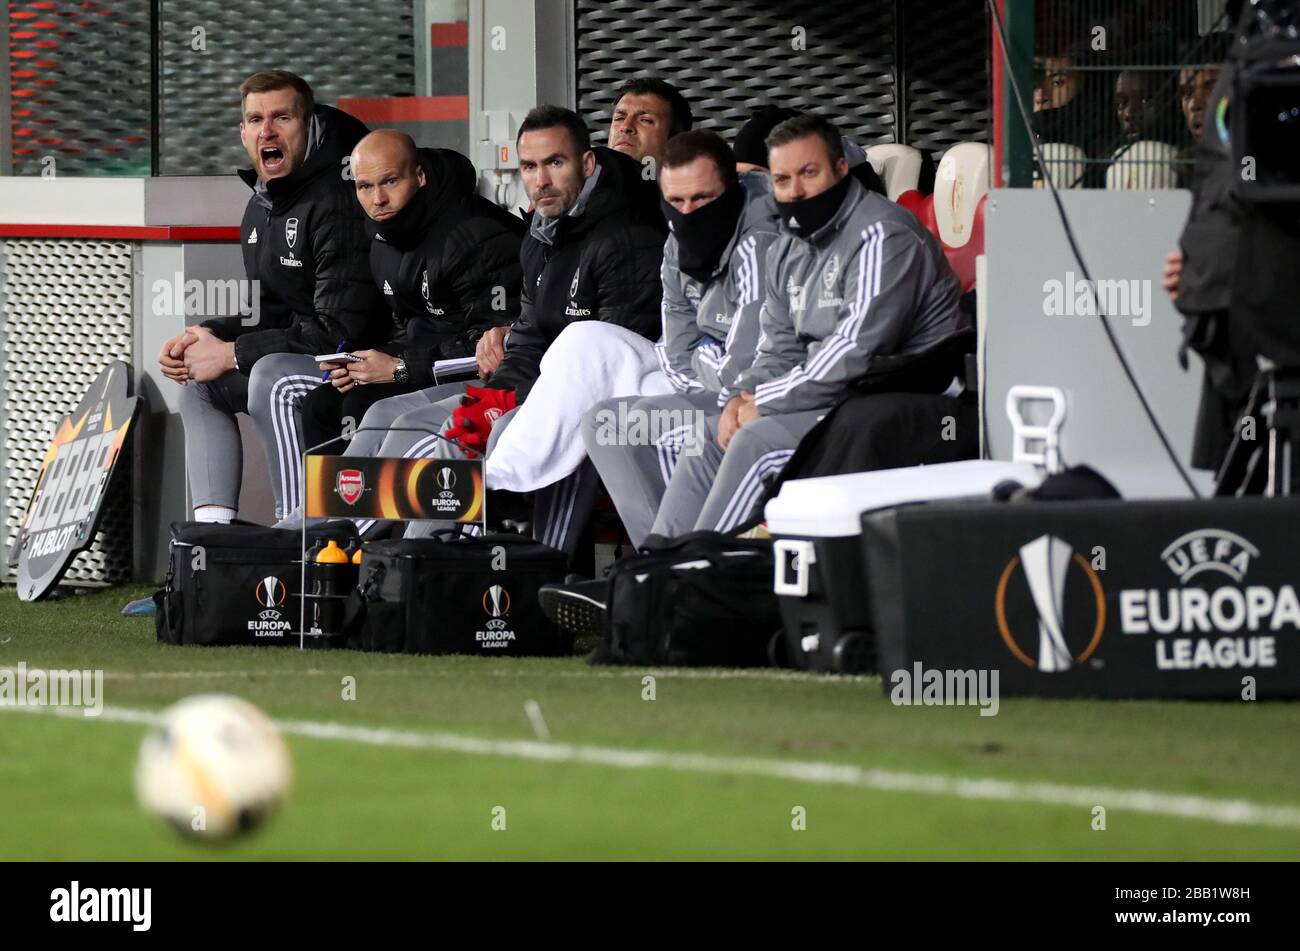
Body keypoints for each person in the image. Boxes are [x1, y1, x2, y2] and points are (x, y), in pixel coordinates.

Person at [648, 114, 968, 538]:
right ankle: (654, 570)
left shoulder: (882, 233)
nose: (795, 191)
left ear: (840, 169)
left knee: (753, 441)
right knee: (707, 438)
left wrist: (762, 404)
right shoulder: (788, 247)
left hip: (906, 396)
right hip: (838, 399)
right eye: (782, 180)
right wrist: (740, 401)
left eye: (808, 173)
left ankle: (696, 576)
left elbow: (853, 353)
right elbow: (778, 349)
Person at [158, 70, 385, 523]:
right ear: (242, 132)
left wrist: (232, 353)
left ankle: (296, 537)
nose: (267, 131)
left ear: (310, 124)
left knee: (271, 377)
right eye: (255, 119)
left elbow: (340, 331)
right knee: (200, 387)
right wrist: (208, 335)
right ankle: (214, 541)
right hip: (307, 356)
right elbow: (270, 311)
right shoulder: (264, 203)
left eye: (282, 117)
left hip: (362, 366)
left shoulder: (339, 201)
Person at [258, 129, 523, 502]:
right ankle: (323, 530)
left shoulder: (476, 237)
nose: (377, 199)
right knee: (324, 403)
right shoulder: (383, 232)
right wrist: (358, 360)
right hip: (424, 361)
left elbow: (491, 351)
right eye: (365, 187)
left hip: (475, 379)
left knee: (364, 405)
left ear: (420, 176)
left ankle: (352, 528)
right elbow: (408, 324)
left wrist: (399, 367)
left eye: (390, 182)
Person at [579, 128, 782, 547]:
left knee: (690, 436)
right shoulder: (676, 243)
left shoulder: (760, 239)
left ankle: (662, 569)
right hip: (708, 389)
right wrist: (709, 357)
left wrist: (706, 355)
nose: (688, 212)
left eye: (702, 199)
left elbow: (746, 364)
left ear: (730, 190)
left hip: (755, 398)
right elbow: (675, 350)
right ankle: (655, 562)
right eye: (676, 201)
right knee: (605, 423)